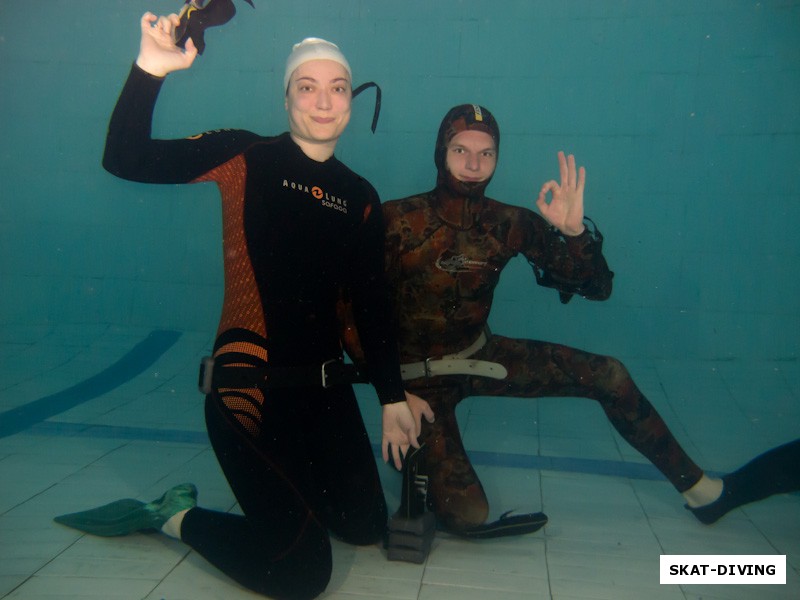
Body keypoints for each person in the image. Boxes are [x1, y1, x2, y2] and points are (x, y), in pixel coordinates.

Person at [54, 11, 433, 600]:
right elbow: (124, 158)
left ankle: (288, 495)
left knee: (364, 527)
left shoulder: (360, 196)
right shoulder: (245, 156)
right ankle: (173, 516)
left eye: (337, 88)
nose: (324, 102)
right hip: (248, 392)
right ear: (287, 99)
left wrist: (389, 396)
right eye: (307, 88)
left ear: (351, 101)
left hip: (323, 396)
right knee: (305, 572)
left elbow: (371, 302)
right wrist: (150, 69)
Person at [340, 103, 800, 534]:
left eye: (487, 153)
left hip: (478, 355)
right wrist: (394, 395)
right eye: (461, 150)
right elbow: (346, 312)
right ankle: (413, 457)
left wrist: (575, 233)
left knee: (610, 375)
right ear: (442, 152)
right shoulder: (396, 220)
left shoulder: (511, 222)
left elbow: (596, 288)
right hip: (415, 382)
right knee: (467, 514)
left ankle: (704, 493)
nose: (474, 164)